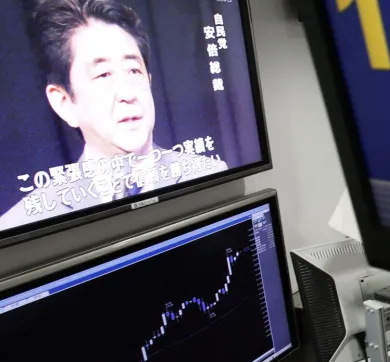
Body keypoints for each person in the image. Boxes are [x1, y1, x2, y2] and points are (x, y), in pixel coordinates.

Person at [0, 0, 226, 229]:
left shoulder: (211, 176)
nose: (127, 93)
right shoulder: (23, 223)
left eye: (134, 71)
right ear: (64, 102)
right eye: (104, 75)